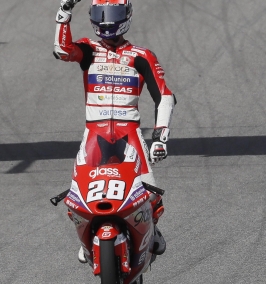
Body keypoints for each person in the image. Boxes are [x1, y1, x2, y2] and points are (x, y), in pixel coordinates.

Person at [54, 0, 176, 263]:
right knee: (78, 192)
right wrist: (64, 12)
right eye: (101, 14)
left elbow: (164, 96)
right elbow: (62, 51)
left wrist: (160, 138)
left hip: (128, 132)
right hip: (94, 133)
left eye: (114, 14)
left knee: (152, 193)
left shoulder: (142, 55)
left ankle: (151, 231)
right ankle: (86, 236)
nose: (107, 21)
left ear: (127, 15)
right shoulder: (88, 49)